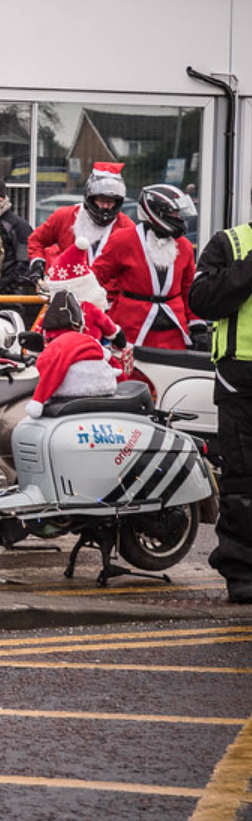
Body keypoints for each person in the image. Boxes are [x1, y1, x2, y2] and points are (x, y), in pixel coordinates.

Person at [186, 211, 252, 605]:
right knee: (243, 482)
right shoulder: (230, 243)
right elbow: (202, 301)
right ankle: (242, 573)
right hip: (240, 381)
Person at [94, 184, 205, 351]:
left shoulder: (185, 246)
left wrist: (197, 326)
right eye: (173, 213)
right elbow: (96, 276)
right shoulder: (123, 240)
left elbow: (188, 289)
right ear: (157, 212)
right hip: (131, 327)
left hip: (173, 330)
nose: (179, 218)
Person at [27, 161, 135, 277]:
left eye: (109, 201)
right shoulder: (64, 216)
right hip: (67, 287)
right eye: (101, 200)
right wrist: (37, 261)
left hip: (107, 293)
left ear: (117, 202)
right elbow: (36, 240)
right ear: (90, 198)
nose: (105, 206)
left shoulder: (127, 227)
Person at [0, 177, 34, 296]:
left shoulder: (18, 225)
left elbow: (25, 263)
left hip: (12, 298)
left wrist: (1, 287)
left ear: (1, 196)